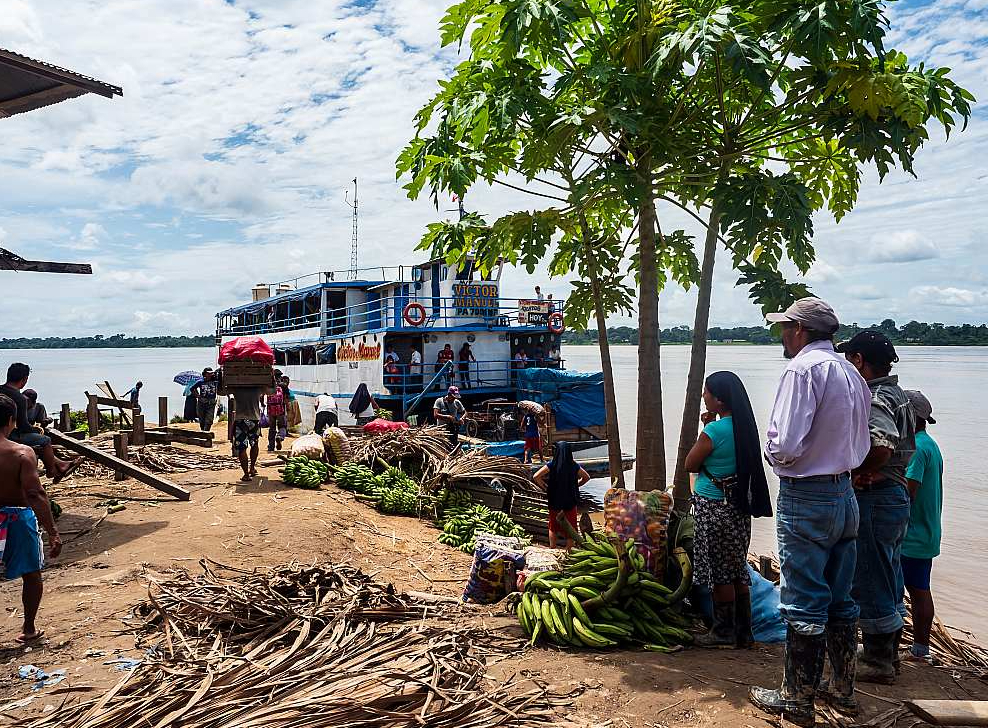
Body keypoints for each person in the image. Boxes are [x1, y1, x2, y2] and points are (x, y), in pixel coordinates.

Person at [748, 298, 871, 727]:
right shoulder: (850, 372)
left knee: (803, 599)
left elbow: (785, 444)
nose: (782, 335)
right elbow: (863, 440)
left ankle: (797, 698)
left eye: (785, 328)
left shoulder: (802, 370)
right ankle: (843, 691)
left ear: (799, 330)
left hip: (807, 495)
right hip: (844, 493)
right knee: (840, 598)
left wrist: (774, 458)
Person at [838, 330, 916, 684]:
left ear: (858, 360)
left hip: (877, 496)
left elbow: (881, 444)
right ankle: (888, 653)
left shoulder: (876, 397)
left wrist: (859, 471)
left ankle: (877, 660)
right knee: (888, 573)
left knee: (869, 575)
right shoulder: (899, 394)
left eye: (848, 359)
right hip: (894, 495)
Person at [684, 371, 772, 649]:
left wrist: (707, 428)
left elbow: (690, 464)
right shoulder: (745, 427)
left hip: (713, 507)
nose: (704, 396)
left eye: (707, 392)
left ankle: (723, 632)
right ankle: (744, 632)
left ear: (719, 399)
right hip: (737, 507)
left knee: (719, 571)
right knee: (737, 568)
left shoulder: (714, 432)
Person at [0, 393, 62, 643]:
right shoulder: (22, 453)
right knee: (32, 573)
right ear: (11, 420)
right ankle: (28, 628)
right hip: (17, 517)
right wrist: (53, 531)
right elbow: (35, 494)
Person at [899, 390, 943, 664]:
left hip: (911, 535)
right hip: (926, 531)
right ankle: (920, 648)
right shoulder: (930, 445)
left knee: (911, 590)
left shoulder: (915, 447)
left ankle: (915, 649)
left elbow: (908, 492)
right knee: (919, 588)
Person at [0, 364, 81, 484]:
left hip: (4, 431)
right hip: (9, 434)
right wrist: (37, 430)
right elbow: (23, 426)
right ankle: (52, 470)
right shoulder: (19, 398)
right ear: (24, 379)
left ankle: (61, 464)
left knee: (39, 444)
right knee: (45, 440)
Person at [533, 442, 590, 549]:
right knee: (571, 526)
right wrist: (576, 485)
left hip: (555, 499)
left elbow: (536, 476)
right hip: (570, 500)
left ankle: (553, 548)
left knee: (553, 526)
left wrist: (545, 487)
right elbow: (587, 477)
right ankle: (569, 551)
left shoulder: (552, 464)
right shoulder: (574, 465)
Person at [232, 380, 273, 482]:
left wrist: (220, 380)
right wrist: (273, 380)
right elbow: (272, 391)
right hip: (254, 420)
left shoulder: (236, 388)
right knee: (254, 444)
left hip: (240, 420)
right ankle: (252, 468)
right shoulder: (257, 389)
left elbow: (221, 392)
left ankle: (246, 474)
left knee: (242, 448)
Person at [265, 383, 287, 452]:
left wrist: (263, 404)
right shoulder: (282, 386)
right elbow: (286, 398)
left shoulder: (268, 387)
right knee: (282, 426)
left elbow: (262, 396)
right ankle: (280, 436)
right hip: (280, 410)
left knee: (272, 428)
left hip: (270, 409)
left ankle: (271, 446)